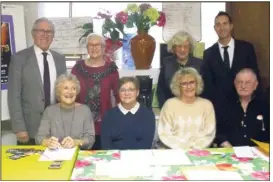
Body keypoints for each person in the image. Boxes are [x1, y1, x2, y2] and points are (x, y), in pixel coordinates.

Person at [8, 17, 66, 145]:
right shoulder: (19, 58)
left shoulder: (60, 59)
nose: (45, 35)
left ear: (53, 36)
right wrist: (19, 127)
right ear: (33, 33)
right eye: (41, 31)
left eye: (49, 32)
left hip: (56, 128)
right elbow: (13, 95)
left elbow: (63, 92)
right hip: (29, 129)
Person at [201, 11, 261, 124]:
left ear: (231, 26)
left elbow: (255, 76)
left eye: (225, 24)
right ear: (214, 28)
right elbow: (207, 85)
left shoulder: (246, 48)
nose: (222, 27)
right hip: (219, 110)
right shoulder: (208, 53)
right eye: (218, 25)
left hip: (245, 106)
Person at [71, 33, 119, 150]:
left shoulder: (111, 69)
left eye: (97, 45)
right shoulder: (78, 68)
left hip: (105, 124)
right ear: (87, 48)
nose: (94, 48)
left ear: (103, 48)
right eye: (90, 45)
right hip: (81, 124)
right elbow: (71, 94)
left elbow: (118, 96)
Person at [158, 68, 216, 149]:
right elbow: (164, 133)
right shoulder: (169, 104)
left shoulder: (207, 105)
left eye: (192, 82)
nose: (189, 87)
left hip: (200, 153)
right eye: (184, 84)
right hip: (174, 152)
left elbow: (209, 133)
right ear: (178, 86)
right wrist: (184, 147)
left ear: (197, 84)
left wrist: (194, 148)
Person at [36, 73, 95, 149]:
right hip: (54, 155)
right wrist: (48, 142)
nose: (70, 92)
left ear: (76, 92)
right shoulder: (49, 111)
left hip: (79, 155)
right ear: (58, 91)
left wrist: (75, 142)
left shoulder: (85, 110)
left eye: (73, 88)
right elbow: (39, 137)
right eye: (66, 88)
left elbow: (90, 138)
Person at [216, 69, 269, 147]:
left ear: (255, 85)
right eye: (240, 82)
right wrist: (224, 143)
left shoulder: (264, 106)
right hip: (229, 152)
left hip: (258, 153)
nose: (243, 86)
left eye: (247, 82)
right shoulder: (224, 104)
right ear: (235, 84)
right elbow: (217, 131)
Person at [101, 77, 155, 150]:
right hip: (115, 158)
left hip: (138, 158)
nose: (126, 93)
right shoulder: (108, 116)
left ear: (137, 92)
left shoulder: (148, 115)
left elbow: (146, 145)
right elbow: (106, 145)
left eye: (131, 90)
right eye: (122, 90)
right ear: (118, 92)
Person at [157, 31, 203, 108]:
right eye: (179, 46)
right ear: (174, 48)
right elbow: (161, 91)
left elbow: (204, 91)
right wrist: (165, 108)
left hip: (194, 107)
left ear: (190, 48)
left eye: (185, 46)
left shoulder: (199, 64)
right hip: (172, 107)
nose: (182, 49)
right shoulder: (166, 63)